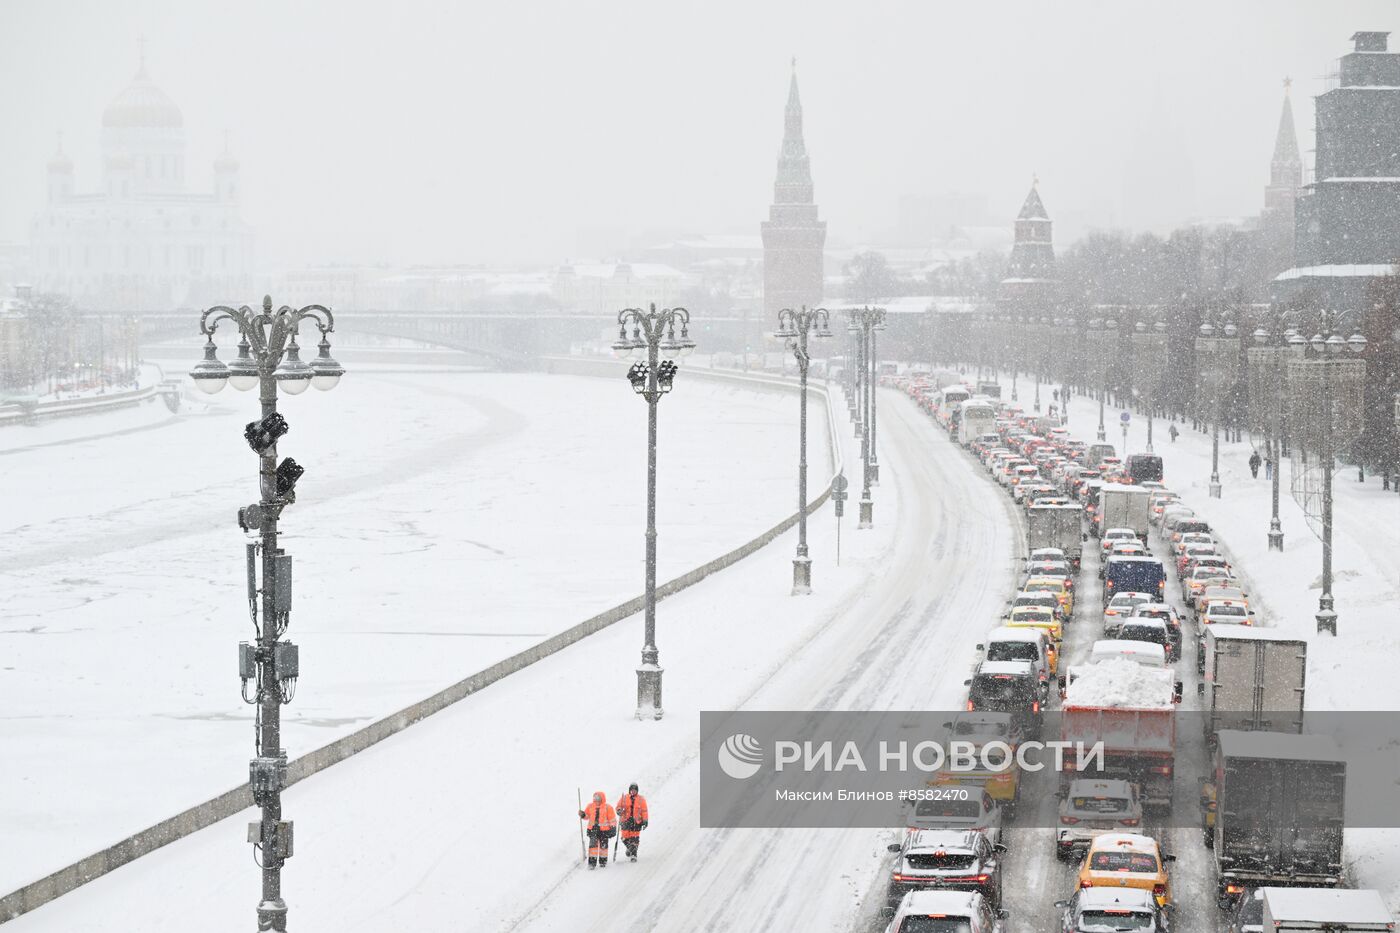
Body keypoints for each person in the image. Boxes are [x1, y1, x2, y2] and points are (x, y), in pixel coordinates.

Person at [579, 790, 616, 869]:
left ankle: (603, 862)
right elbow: (587, 816)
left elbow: (612, 819)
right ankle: (592, 863)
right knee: (593, 847)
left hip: (604, 831)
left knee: (604, 847)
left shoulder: (608, 807)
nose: (596, 799)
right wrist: (583, 814)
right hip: (593, 830)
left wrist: (613, 828)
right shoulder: (590, 806)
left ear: (602, 798)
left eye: (598, 798)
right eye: (595, 797)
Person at [616, 782, 650, 862]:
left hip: (636, 822)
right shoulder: (624, 798)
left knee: (635, 839)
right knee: (624, 838)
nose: (633, 791)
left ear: (637, 791)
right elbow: (618, 807)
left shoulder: (641, 799)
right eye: (632, 790)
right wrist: (619, 811)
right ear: (629, 790)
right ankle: (629, 848)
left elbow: (644, 811)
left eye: (635, 790)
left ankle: (634, 855)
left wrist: (645, 821)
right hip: (625, 821)